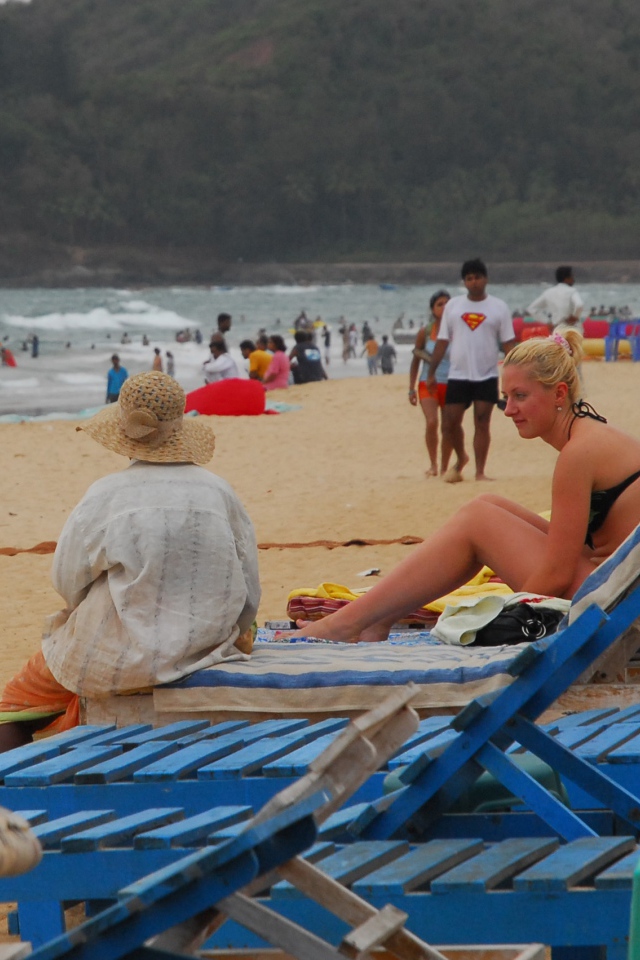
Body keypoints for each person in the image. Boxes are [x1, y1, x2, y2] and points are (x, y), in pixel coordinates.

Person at [286, 331, 640, 645]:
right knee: (487, 503)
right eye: (506, 397)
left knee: (478, 520)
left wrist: (500, 619)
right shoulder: (593, 433)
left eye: (520, 396)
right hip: (618, 587)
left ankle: (347, 624)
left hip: (616, 607)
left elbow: (557, 574)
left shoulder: (578, 454)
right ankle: (376, 619)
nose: (509, 409)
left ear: (559, 392)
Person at [0, 372, 260, 750]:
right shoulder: (220, 492)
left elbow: (67, 580)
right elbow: (249, 589)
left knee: (12, 707)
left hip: (118, 654)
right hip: (208, 646)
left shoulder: (106, 494)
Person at [427, 259, 517, 482]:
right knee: (450, 422)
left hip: (486, 374)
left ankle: (480, 472)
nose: (474, 282)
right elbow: (442, 341)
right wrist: (431, 372)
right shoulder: (453, 306)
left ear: (485, 279)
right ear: (464, 282)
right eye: (469, 278)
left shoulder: (499, 307)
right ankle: (461, 457)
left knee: (482, 422)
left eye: (477, 277)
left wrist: (516, 372)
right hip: (458, 375)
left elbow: (508, 344)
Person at [409, 290, 452, 477]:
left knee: (449, 426)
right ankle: (433, 464)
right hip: (428, 382)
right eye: (440, 304)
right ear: (433, 309)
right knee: (432, 422)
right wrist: (411, 388)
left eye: (447, 303)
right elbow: (415, 359)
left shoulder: (457, 331)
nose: (444, 307)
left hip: (452, 382)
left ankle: (444, 466)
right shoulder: (425, 332)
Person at [527, 266, 584, 333]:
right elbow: (579, 305)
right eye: (572, 277)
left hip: (557, 329)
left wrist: (547, 322)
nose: (573, 279)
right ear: (566, 278)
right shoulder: (572, 291)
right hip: (572, 329)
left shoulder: (548, 292)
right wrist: (575, 317)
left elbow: (531, 309)